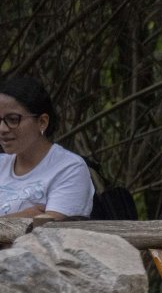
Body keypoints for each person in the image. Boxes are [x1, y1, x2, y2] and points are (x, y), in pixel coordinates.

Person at [0, 76, 94, 220]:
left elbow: (49, 230)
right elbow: (36, 222)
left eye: (13, 119)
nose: (2, 129)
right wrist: (25, 216)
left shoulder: (69, 168)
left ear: (42, 122)